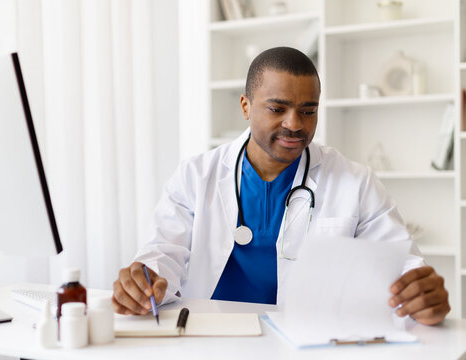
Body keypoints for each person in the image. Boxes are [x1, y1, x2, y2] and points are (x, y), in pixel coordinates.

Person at [112, 47, 450, 326]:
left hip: (304, 337)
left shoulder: (355, 182)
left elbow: (400, 263)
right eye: (277, 109)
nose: (294, 124)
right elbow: (163, 253)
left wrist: (422, 291)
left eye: (308, 111)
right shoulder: (195, 175)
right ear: (246, 106)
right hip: (210, 333)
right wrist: (146, 280)